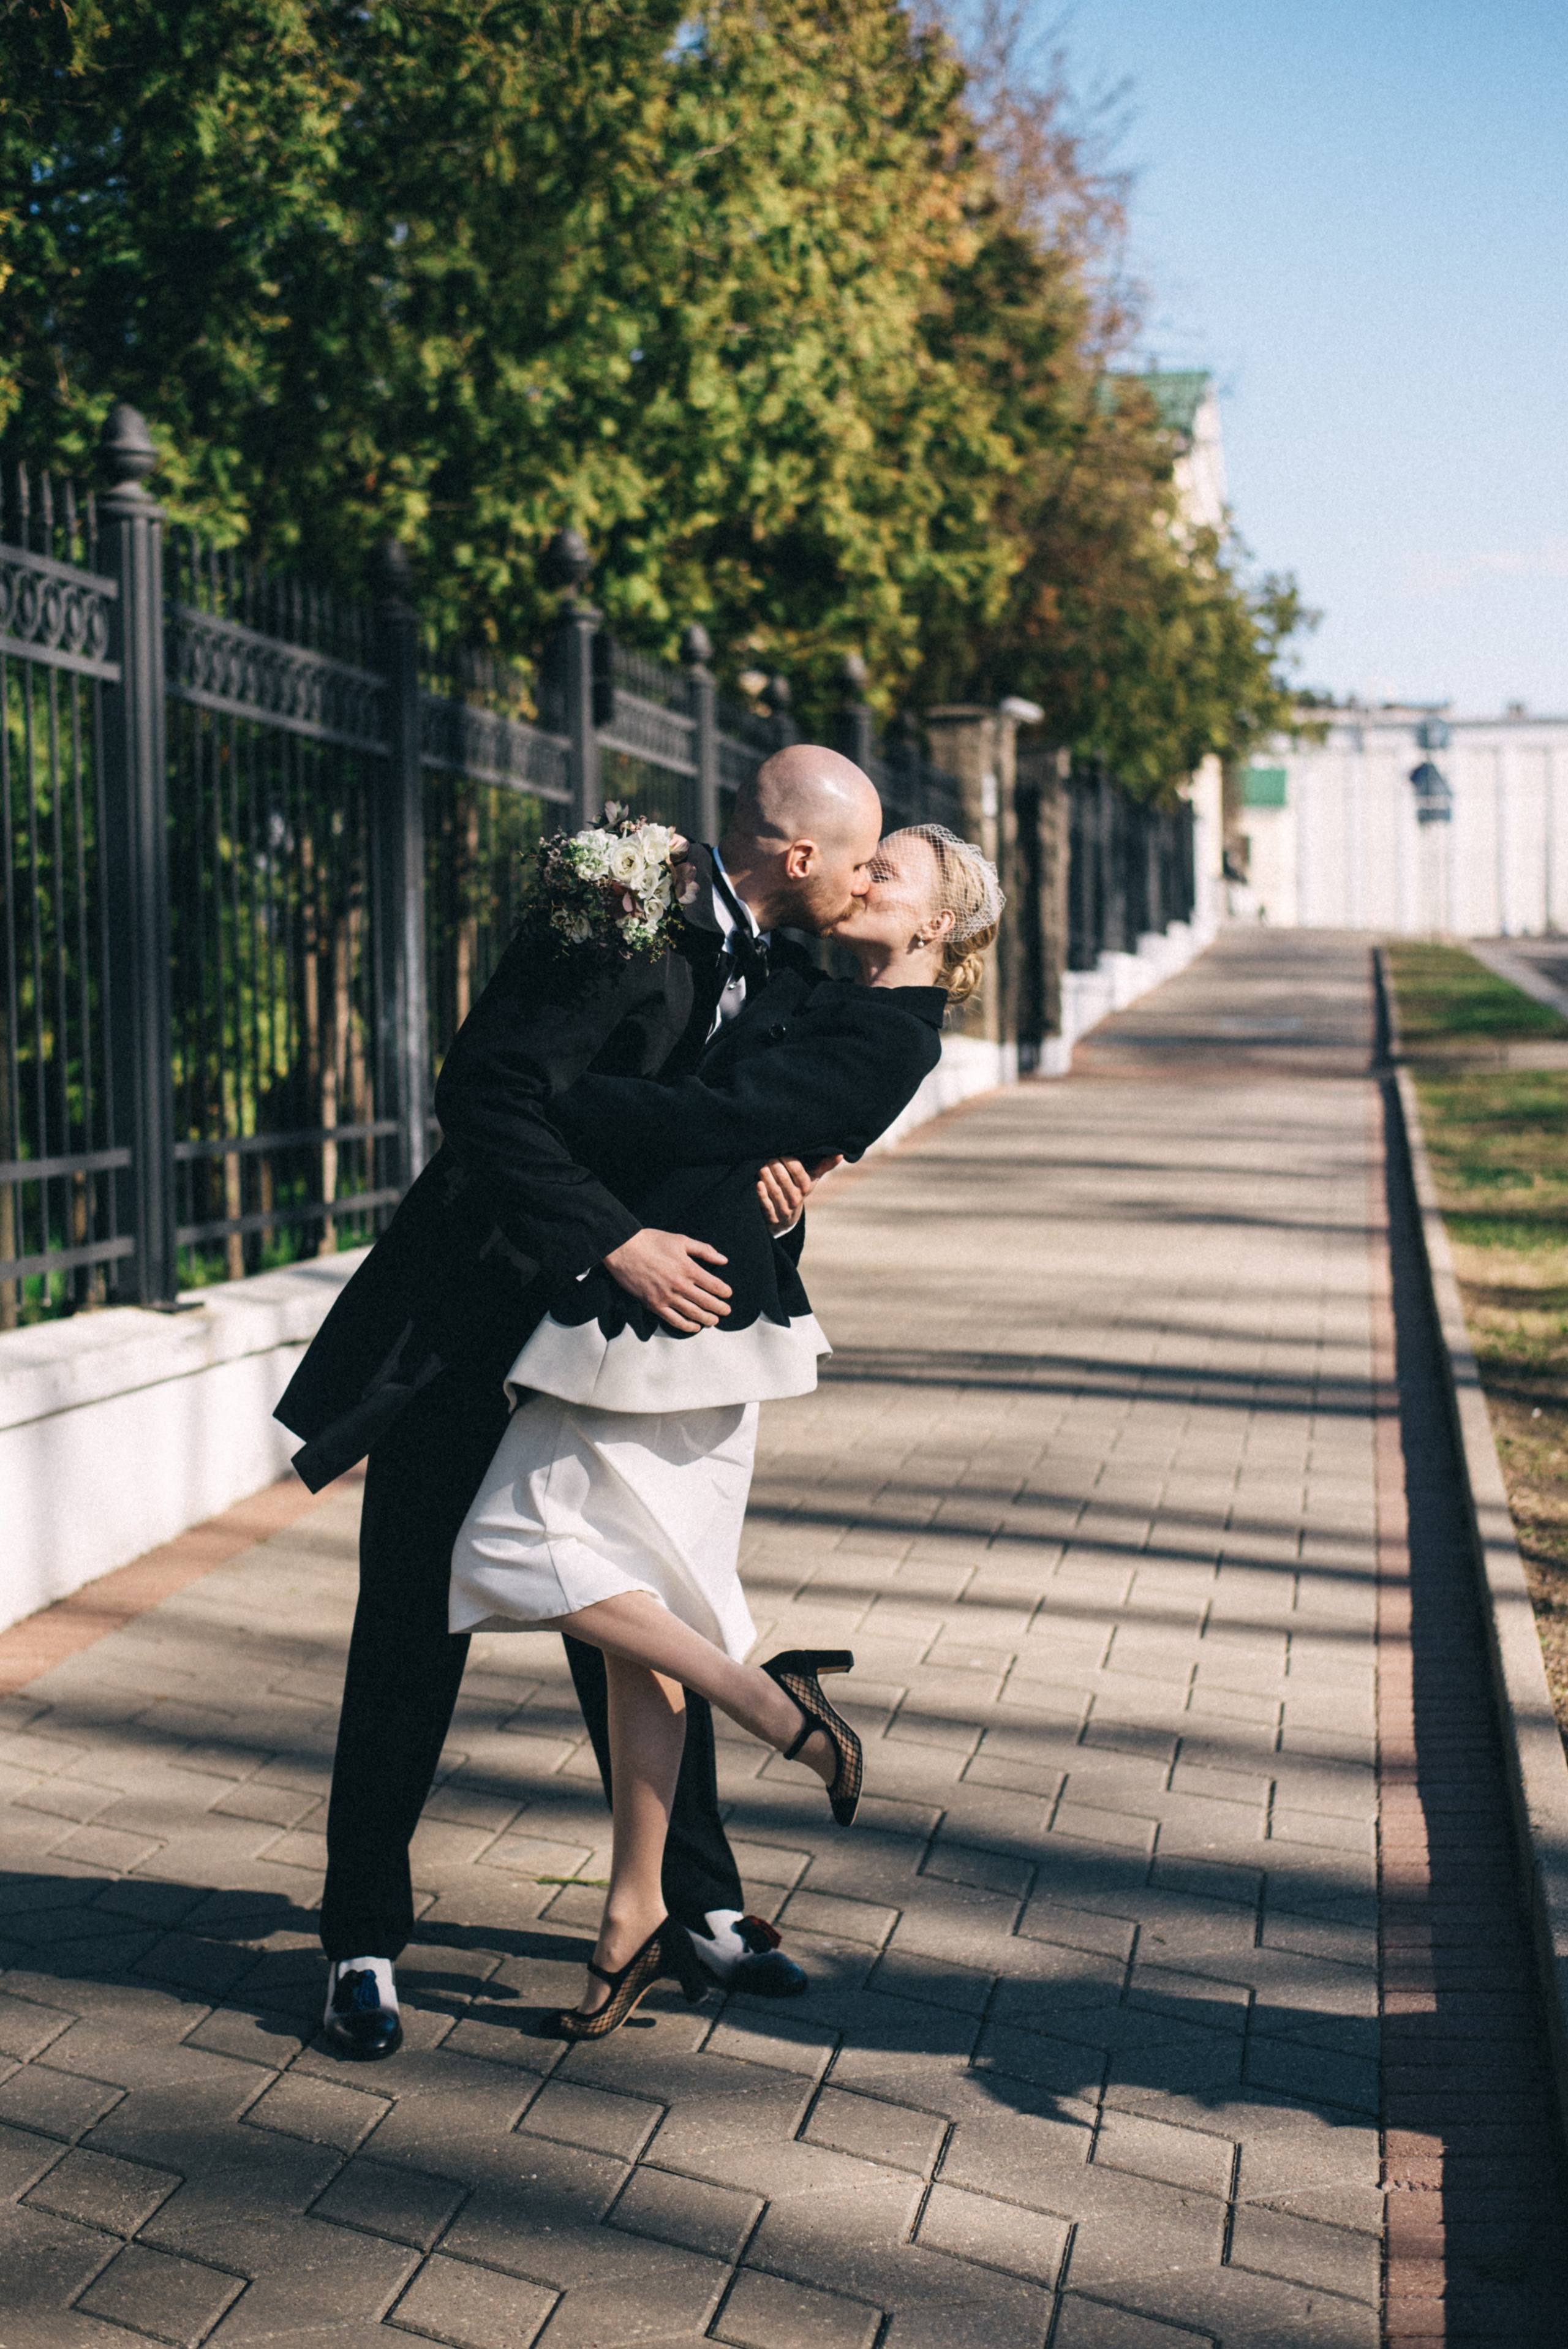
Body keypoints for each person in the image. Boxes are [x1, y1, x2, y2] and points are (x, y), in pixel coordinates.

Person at [277, 748, 918, 2057]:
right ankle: (358, 1941)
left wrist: (787, 1163)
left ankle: (696, 1912)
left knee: (641, 1617)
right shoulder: (616, 902)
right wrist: (609, 1240)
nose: (861, 883)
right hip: (481, 1310)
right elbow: (489, 1095)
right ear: (796, 859)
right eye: (854, 859)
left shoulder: (795, 966)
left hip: (626, 1344)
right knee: (412, 1616)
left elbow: (778, 1102)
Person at [447, 825, 1004, 2037]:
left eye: (886, 872)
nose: (859, 879)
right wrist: (772, 1158)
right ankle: (632, 1916)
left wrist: (570, 1098)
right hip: (669, 1313)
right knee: (635, 1631)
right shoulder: (817, 985)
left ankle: (772, 1706)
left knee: (497, 1553)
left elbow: (711, 1110)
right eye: (859, 860)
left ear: (938, 926)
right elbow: (737, 1109)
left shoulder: (893, 1034)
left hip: (677, 1322)